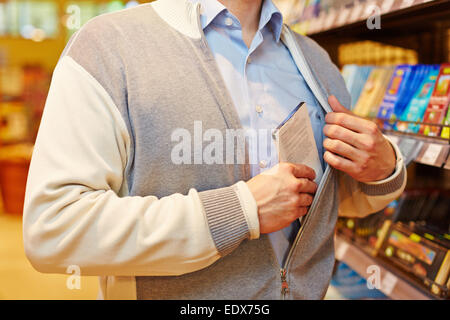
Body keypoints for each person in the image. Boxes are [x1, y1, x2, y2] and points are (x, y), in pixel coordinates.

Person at [23, 0, 406, 300]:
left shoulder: (316, 61)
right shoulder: (109, 46)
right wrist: (241, 212)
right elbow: (54, 228)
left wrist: (383, 169)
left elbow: (331, 202)